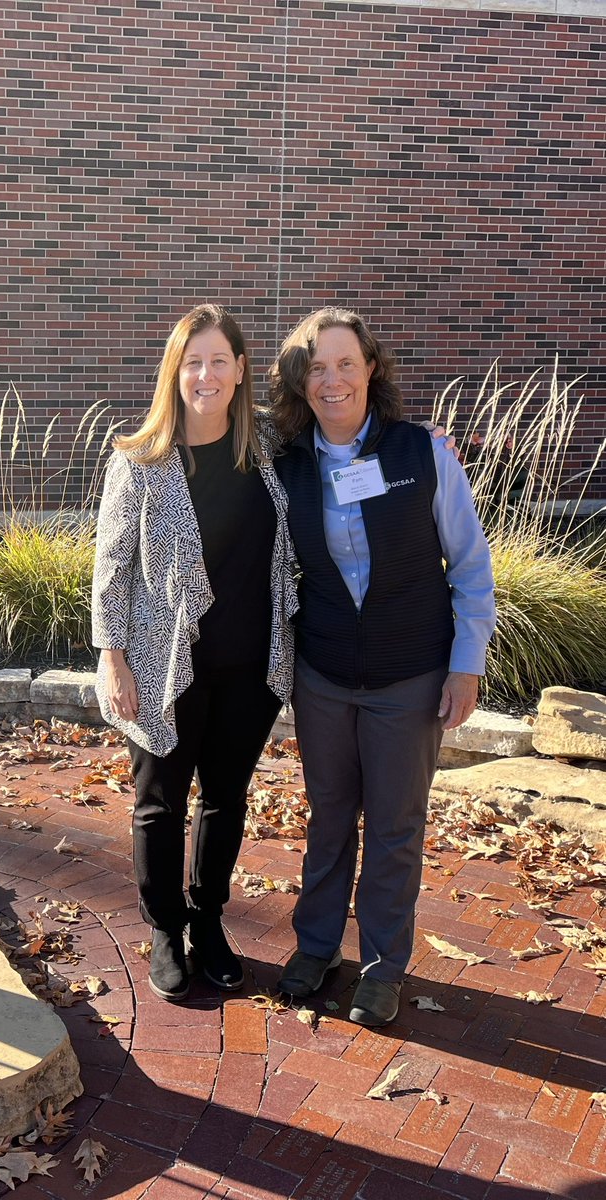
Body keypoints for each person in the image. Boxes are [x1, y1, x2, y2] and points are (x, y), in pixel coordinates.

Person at [270, 307, 495, 1026]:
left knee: (394, 826)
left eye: (344, 363)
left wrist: (465, 666)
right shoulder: (284, 469)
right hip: (325, 677)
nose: (331, 380)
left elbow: (468, 565)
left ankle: (380, 967)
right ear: (299, 383)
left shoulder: (421, 452)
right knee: (330, 817)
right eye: (316, 367)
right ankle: (314, 949)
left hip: (409, 678)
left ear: (370, 368)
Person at [91, 304, 298, 1002]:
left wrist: (426, 441)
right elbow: (110, 568)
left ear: (240, 370)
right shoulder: (139, 459)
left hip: (250, 665)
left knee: (225, 798)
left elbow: (350, 437)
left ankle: (207, 921)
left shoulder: (268, 450)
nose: (204, 374)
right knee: (159, 804)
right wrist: (111, 657)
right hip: (162, 666)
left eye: (218, 360)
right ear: (174, 372)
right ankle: (164, 928)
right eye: (192, 361)